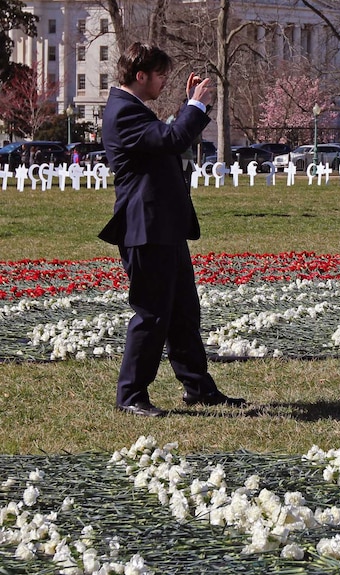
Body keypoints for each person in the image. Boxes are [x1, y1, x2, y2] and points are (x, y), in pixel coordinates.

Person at [99, 42, 246, 417]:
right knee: (151, 313)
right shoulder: (123, 111)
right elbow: (172, 140)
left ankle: (197, 387)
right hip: (145, 228)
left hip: (163, 226)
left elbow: (166, 140)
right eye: (160, 74)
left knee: (183, 311)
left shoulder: (133, 109)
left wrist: (189, 108)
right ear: (140, 74)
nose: (164, 80)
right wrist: (195, 106)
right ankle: (130, 396)